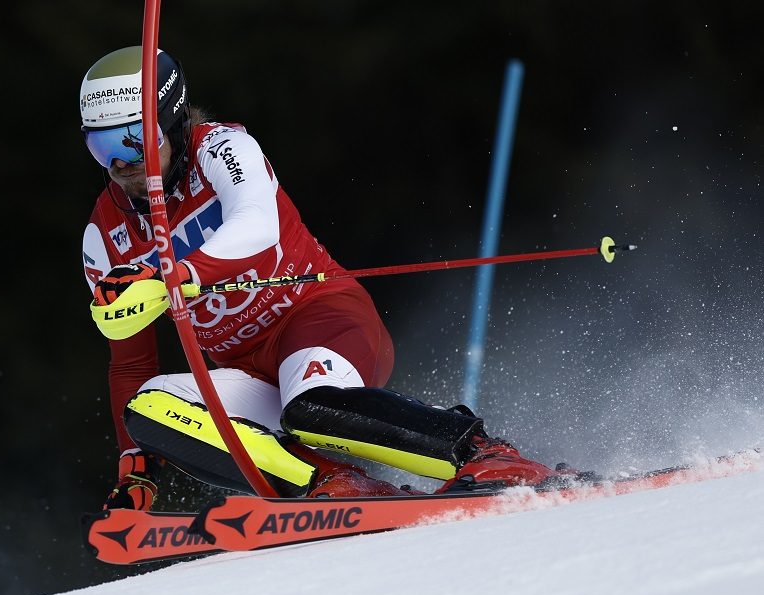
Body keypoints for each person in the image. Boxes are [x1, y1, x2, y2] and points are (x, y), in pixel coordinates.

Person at [79, 46, 558, 510]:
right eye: (102, 148)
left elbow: (256, 225)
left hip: (318, 319)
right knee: (148, 407)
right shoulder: (104, 236)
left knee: (308, 408)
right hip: (249, 373)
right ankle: (332, 483)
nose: (122, 165)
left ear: (172, 122)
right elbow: (129, 363)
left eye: (132, 140)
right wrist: (135, 469)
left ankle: (482, 453)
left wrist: (171, 274)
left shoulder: (222, 148)